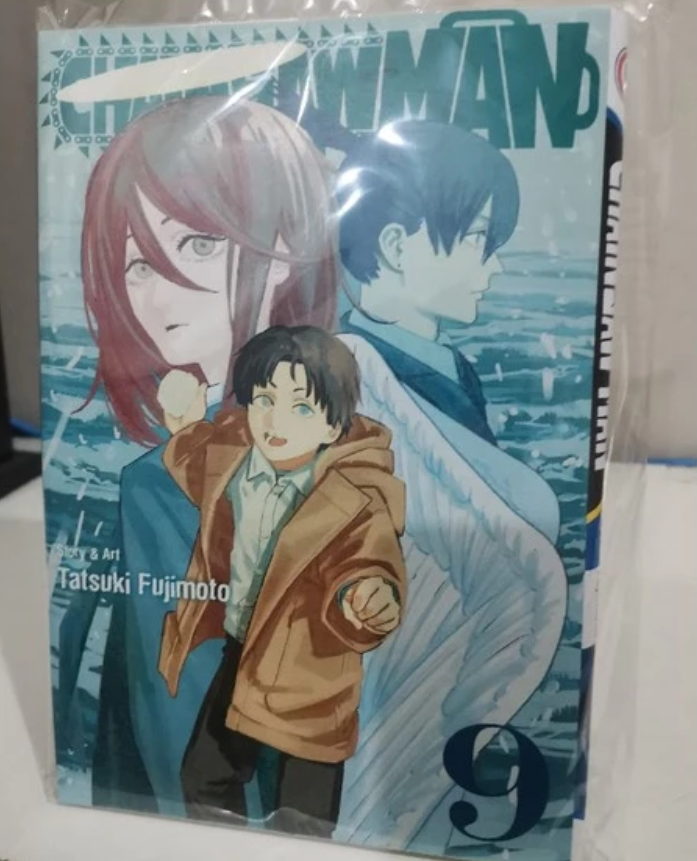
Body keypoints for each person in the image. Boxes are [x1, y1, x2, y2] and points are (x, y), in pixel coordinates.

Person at [57, 95, 340, 816]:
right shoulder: (345, 430)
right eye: (136, 262)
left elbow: (170, 730)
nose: (160, 293)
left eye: (199, 244)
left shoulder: (164, 482)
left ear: (287, 245)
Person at [157, 325, 406, 835]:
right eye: (264, 400)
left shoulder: (356, 497)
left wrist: (370, 596)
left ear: (333, 427)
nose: (276, 421)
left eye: (302, 409)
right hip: (242, 652)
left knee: (304, 815)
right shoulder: (235, 459)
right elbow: (200, 470)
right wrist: (184, 425)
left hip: (313, 673)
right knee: (204, 778)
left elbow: (369, 560)